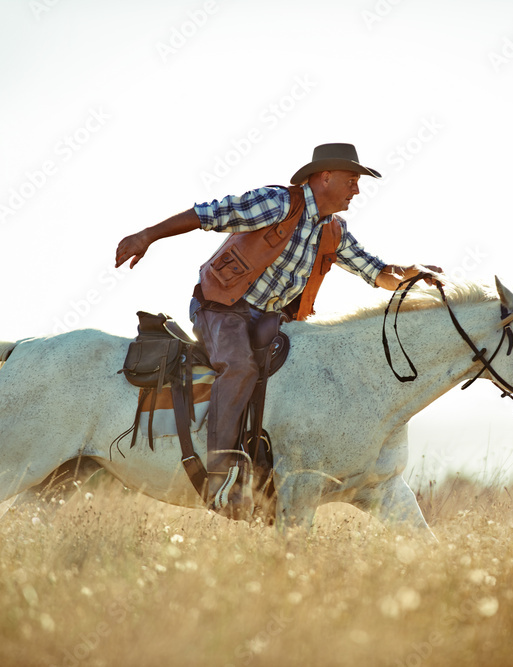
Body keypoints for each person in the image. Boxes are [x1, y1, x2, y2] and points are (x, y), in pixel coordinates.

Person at [115, 143, 439, 520]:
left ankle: (266, 465)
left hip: (270, 318)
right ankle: (221, 474)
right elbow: (209, 214)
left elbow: (375, 271)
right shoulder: (278, 203)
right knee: (239, 367)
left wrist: (409, 275)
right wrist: (147, 236)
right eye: (352, 180)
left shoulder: (333, 230)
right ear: (325, 177)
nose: (357, 190)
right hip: (222, 307)